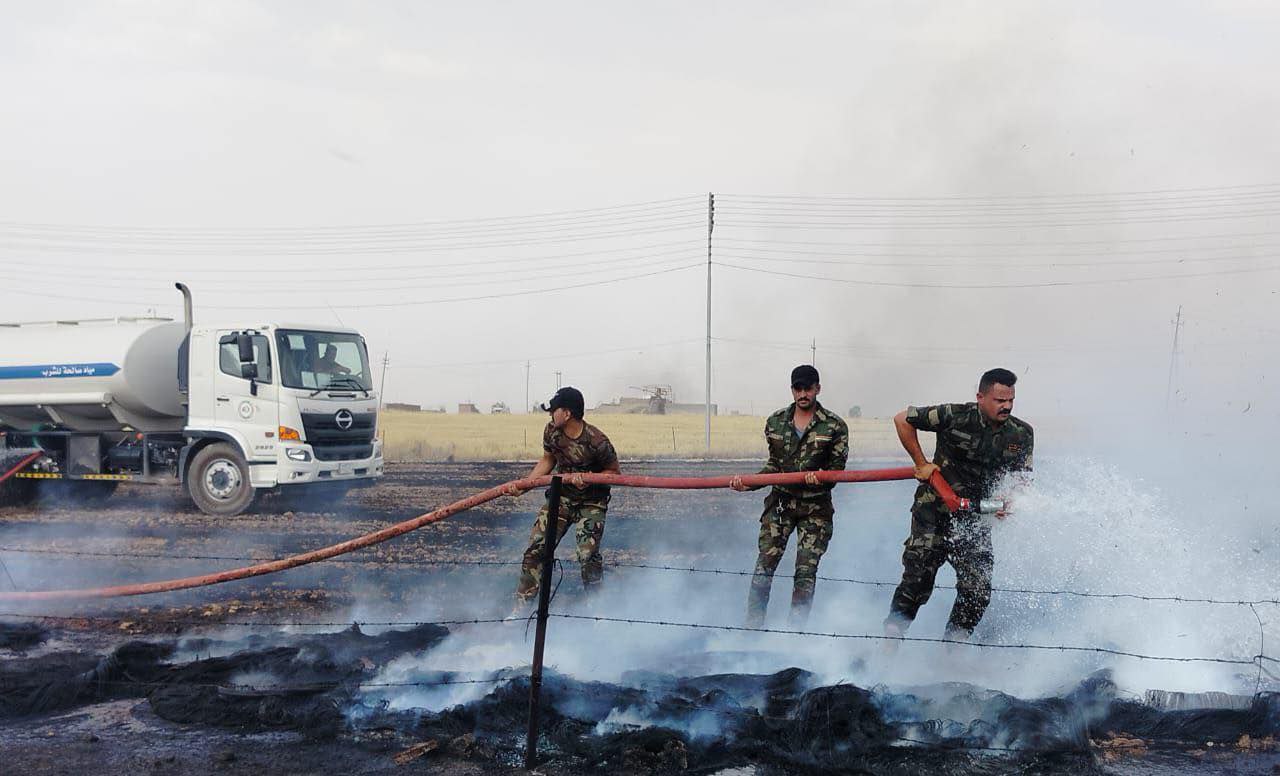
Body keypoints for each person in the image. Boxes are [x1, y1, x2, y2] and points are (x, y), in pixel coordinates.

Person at [884, 367, 1034, 642]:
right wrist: (921, 463)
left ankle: (952, 651)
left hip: (976, 517)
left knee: (977, 591)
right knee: (916, 581)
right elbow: (902, 419)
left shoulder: (1021, 434)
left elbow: (1022, 479)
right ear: (981, 397)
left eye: (1011, 400)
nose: (1007, 406)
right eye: (1000, 400)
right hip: (935, 512)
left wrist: (1010, 501)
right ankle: (888, 645)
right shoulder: (954, 416)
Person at [730, 365, 849, 627]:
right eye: (798, 388)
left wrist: (819, 476)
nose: (803, 393)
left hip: (815, 509)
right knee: (764, 568)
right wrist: (749, 483)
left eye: (808, 388)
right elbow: (774, 465)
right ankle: (752, 628)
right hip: (781, 505)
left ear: (818, 388)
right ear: (792, 389)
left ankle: (794, 636)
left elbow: (836, 472)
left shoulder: (834, 426)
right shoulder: (775, 422)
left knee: (805, 573)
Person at [506, 386, 620, 603]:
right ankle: (522, 607)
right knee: (535, 550)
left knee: (587, 557)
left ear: (567, 414)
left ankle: (598, 610)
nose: (550, 414)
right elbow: (548, 459)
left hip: (591, 503)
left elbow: (614, 472)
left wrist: (588, 477)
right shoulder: (551, 431)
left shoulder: (597, 441)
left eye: (554, 410)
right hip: (561, 498)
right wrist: (525, 485)